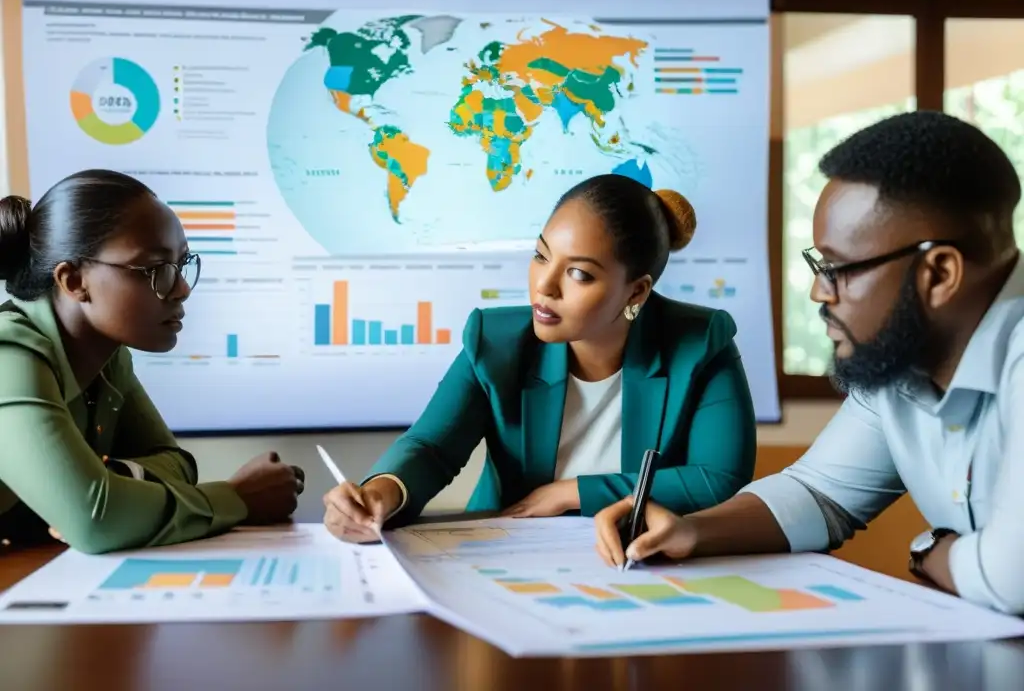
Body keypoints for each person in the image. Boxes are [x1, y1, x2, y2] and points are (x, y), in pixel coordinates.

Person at [594, 111, 1024, 615]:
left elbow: (1010, 578)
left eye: (838, 268)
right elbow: (820, 492)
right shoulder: (902, 361)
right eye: (818, 265)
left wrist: (930, 549)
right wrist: (690, 530)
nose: (819, 291)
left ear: (939, 273)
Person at [324, 173, 758, 542]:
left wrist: (573, 492)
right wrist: (382, 491)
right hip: (506, 553)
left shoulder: (702, 342)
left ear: (637, 291)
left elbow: (717, 478)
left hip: (634, 565)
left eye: (579, 274)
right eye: (540, 256)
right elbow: (431, 447)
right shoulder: (495, 341)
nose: (544, 287)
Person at [0, 169, 304, 553]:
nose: (181, 289)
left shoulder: (108, 357)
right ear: (74, 281)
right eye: (155, 269)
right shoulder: (8, 354)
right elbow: (97, 521)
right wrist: (237, 498)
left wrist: (114, 479)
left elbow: (178, 464)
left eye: (182, 263)